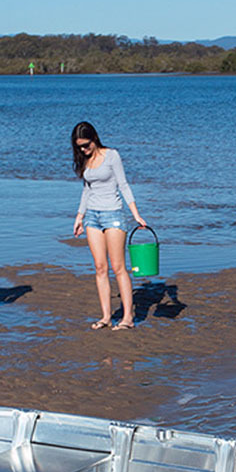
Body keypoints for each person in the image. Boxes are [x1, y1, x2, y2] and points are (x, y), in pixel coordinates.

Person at [71, 121, 147, 330]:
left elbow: (123, 184)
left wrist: (136, 214)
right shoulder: (84, 160)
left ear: (94, 138)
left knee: (118, 267)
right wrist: (79, 216)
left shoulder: (112, 155)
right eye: (79, 147)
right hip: (92, 218)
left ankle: (127, 318)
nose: (83, 150)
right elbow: (87, 190)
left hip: (113, 215)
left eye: (86, 145)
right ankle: (105, 317)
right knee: (100, 267)